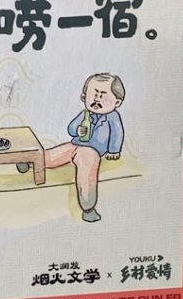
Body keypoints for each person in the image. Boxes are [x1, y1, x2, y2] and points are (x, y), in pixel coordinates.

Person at [42, 73, 125, 223]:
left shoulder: (113, 117)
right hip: (75, 144)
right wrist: (77, 129)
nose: (97, 100)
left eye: (102, 95)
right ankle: (32, 162)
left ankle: (88, 207)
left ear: (117, 102)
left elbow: (117, 134)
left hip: (92, 150)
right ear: (84, 97)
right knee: (53, 155)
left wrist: (114, 151)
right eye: (94, 95)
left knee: (86, 168)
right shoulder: (84, 114)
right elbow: (71, 128)